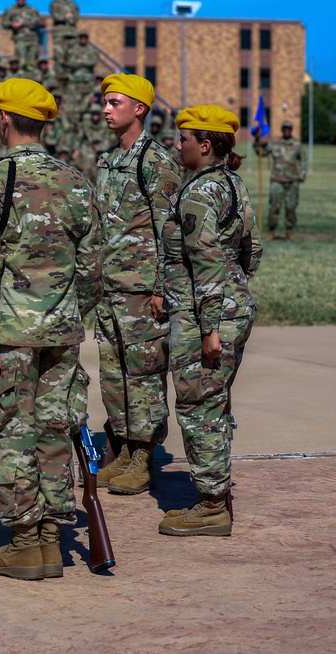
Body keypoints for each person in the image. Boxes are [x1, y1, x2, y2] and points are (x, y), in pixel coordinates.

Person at [0, 78, 102, 579]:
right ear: (42, 123)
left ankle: (25, 542)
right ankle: (50, 541)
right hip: (61, 332)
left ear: (4, 119)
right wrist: (69, 312)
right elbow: (92, 265)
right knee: (54, 431)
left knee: (13, 434)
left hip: (12, 333)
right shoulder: (75, 181)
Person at [159, 105, 261, 536]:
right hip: (233, 304)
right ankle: (216, 491)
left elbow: (206, 264)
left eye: (184, 139)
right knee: (214, 404)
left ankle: (212, 505)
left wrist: (210, 328)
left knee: (199, 406)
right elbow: (251, 250)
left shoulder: (199, 194)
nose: (176, 145)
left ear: (205, 145)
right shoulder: (231, 184)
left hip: (207, 313)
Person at [93, 73, 181, 494]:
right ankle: (125, 449)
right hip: (110, 286)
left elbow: (170, 229)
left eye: (114, 102)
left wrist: (163, 287)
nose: (106, 109)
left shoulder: (157, 161)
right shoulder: (108, 160)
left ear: (139, 108)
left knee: (144, 374)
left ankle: (144, 456)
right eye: (105, 102)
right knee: (114, 375)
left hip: (142, 290)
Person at [255, 120, 305, 240]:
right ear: (282, 130)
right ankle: (271, 231)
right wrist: (257, 141)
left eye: (289, 128)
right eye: (285, 128)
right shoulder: (275, 143)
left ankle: (289, 231)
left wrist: (302, 174)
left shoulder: (297, 145)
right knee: (274, 207)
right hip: (277, 180)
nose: (287, 130)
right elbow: (262, 153)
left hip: (292, 180)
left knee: (291, 207)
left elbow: (303, 160)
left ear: (291, 130)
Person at [0, 0, 43, 74]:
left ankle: (32, 81)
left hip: (32, 39)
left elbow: (39, 21)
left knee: (31, 63)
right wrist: (12, 24)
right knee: (21, 62)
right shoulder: (11, 10)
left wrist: (23, 23)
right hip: (20, 39)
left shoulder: (32, 10)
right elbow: (3, 22)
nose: (20, 0)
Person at [48, 0, 79, 77]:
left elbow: (76, 17)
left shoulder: (72, 4)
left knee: (71, 58)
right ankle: (59, 78)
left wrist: (69, 17)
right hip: (59, 35)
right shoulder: (55, 3)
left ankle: (69, 78)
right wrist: (67, 17)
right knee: (59, 58)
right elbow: (55, 16)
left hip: (71, 35)